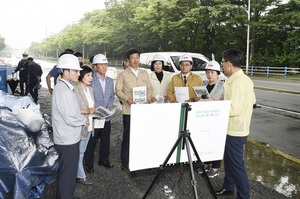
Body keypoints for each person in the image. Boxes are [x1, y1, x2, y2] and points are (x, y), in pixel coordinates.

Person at [215, 49, 256, 199]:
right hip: (232, 128)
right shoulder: (242, 79)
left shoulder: (238, 83)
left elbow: (234, 109)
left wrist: (217, 105)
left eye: (222, 63)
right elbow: (252, 101)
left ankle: (244, 196)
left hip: (235, 129)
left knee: (237, 165)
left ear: (229, 63)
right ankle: (228, 187)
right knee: (230, 162)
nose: (222, 66)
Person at [52, 54, 89, 199]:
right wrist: (83, 120)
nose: (79, 74)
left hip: (66, 137)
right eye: (76, 71)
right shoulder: (63, 91)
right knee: (68, 176)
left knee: (65, 173)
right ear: (66, 71)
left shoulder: (64, 88)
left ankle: (63, 196)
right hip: (67, 139)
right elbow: (70, 118)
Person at [115, 49, 152, 171]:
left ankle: (140, 159)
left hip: (143, 110)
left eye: (137, 58)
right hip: (129, 110)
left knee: (142, 135)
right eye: (132, 58)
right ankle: (125, 161)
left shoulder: (144, 73)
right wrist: (128, 99)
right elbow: (118, 90)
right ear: (128, 60)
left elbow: (149, 89)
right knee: (128, 136)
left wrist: (147, 99)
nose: (135, 60)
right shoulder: (123, 75)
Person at [84, 54, 115, 172]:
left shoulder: (110, 81)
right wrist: (97, 111)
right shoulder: (91, 80)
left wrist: (108, 107)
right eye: (101, 65)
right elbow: (87, 97)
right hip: (95, 116)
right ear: (95, 67)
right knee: (92, 140)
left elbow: (112, 96)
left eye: (105, 64)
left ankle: (104, 159)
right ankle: (89, 163)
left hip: (106, 116)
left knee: (106, 139)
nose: (104, 67)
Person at [196, 60, 224, 178]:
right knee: (206, 141)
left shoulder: (223, 85)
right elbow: (199, 98)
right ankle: (206, 163)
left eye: (212, 72)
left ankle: (216, 167)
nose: (210, 75)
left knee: (216, 141)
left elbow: (223, 99)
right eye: (207, 72)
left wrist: (208, 100)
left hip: (217, 119)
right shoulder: (204, 85)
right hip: (205, 118)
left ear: (217, 73)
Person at [74, 65, 95, 185]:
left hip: (89, 124)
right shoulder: (75, 90)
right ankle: (80, 176)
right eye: (88, 75)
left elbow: (91, 107)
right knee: (80, 152)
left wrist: (95, 112)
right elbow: (73, 110)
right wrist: (86, 111)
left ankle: (77, 174)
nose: (91, 78)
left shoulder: (91, 90)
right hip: (80, 125)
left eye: (91, 75)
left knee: (82, 150)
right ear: (81, 76)